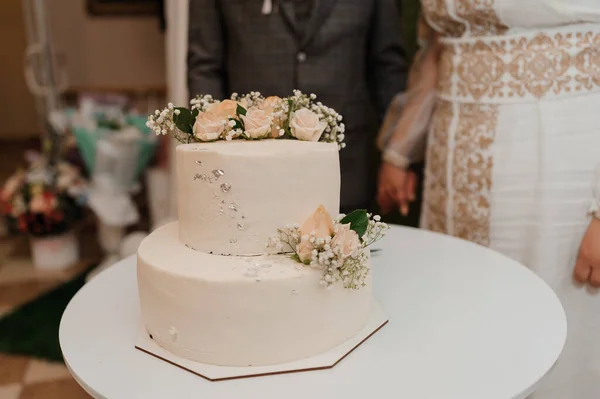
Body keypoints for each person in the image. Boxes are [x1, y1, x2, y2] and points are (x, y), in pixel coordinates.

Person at [377, 1, 600, 397]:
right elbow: (437, 50)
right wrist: (400, 148)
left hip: (561, 170)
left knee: (549, 333)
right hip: (452, 169)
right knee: (461, 328)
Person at [187, 0, 407, 213]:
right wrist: (211, 155)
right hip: (249, 173)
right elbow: (205, 69)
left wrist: (398, 154)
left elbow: (388, 67)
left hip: (347, 165)